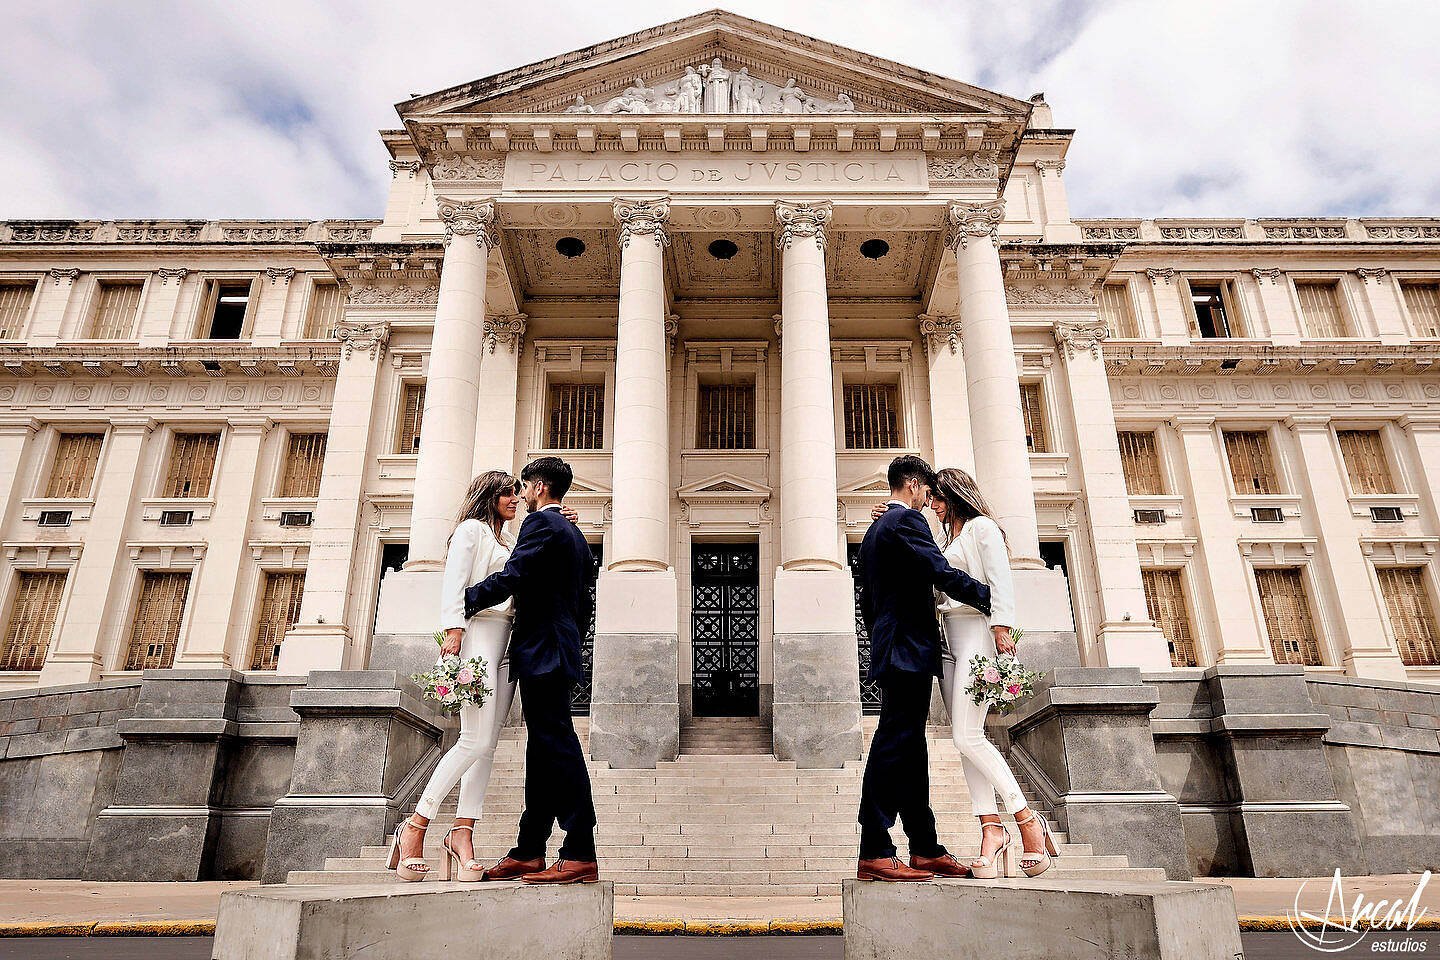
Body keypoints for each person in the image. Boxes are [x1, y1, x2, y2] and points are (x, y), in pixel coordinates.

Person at [387, 471, 580, 882]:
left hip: (509, 643)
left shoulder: (508, 540)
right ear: (488, 496)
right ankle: (415, 826)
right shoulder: (470, 531)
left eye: (518, 490)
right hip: (476, 636)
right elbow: (454, 585)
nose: (515, 498)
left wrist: (565, 527)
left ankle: (463, 833)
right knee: (473, 738)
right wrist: (452, 630)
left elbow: (527, 570)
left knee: (488, 745)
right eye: (507, 492)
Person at [855, 455, 991, 882]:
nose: (929, 502)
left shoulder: (874, 531)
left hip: (895, 645)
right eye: (928, 493)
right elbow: (940, 572)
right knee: (895, 742)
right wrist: (993, 599)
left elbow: (867, 601)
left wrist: (884, 633)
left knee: (912, 748)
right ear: (913, 485)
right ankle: (874, 847)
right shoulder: (906, 524)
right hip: (908, 649)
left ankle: (925, 847)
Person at [464, 457, 600, 884]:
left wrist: (461, 601)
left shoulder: (541, 525)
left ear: (538, 487)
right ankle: (529, 849)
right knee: (541, 750)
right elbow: (585, 603)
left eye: (523, 488)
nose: (520, 496)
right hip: (556, 648)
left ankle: (579, 850)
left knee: (556, 745)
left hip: (544, 650)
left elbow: (515, 575)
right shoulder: (575, 533)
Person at [925, 468, 1059, 878]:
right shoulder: (950, 538)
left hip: (978, 635)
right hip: (947, 639)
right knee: (965, 740)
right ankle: (990, 828)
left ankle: (1026, 820)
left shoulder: (983, 528)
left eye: (937, 498)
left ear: (954, 494)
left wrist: (1002, 629)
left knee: (969, 735)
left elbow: (1002, 582)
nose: (932, 505)